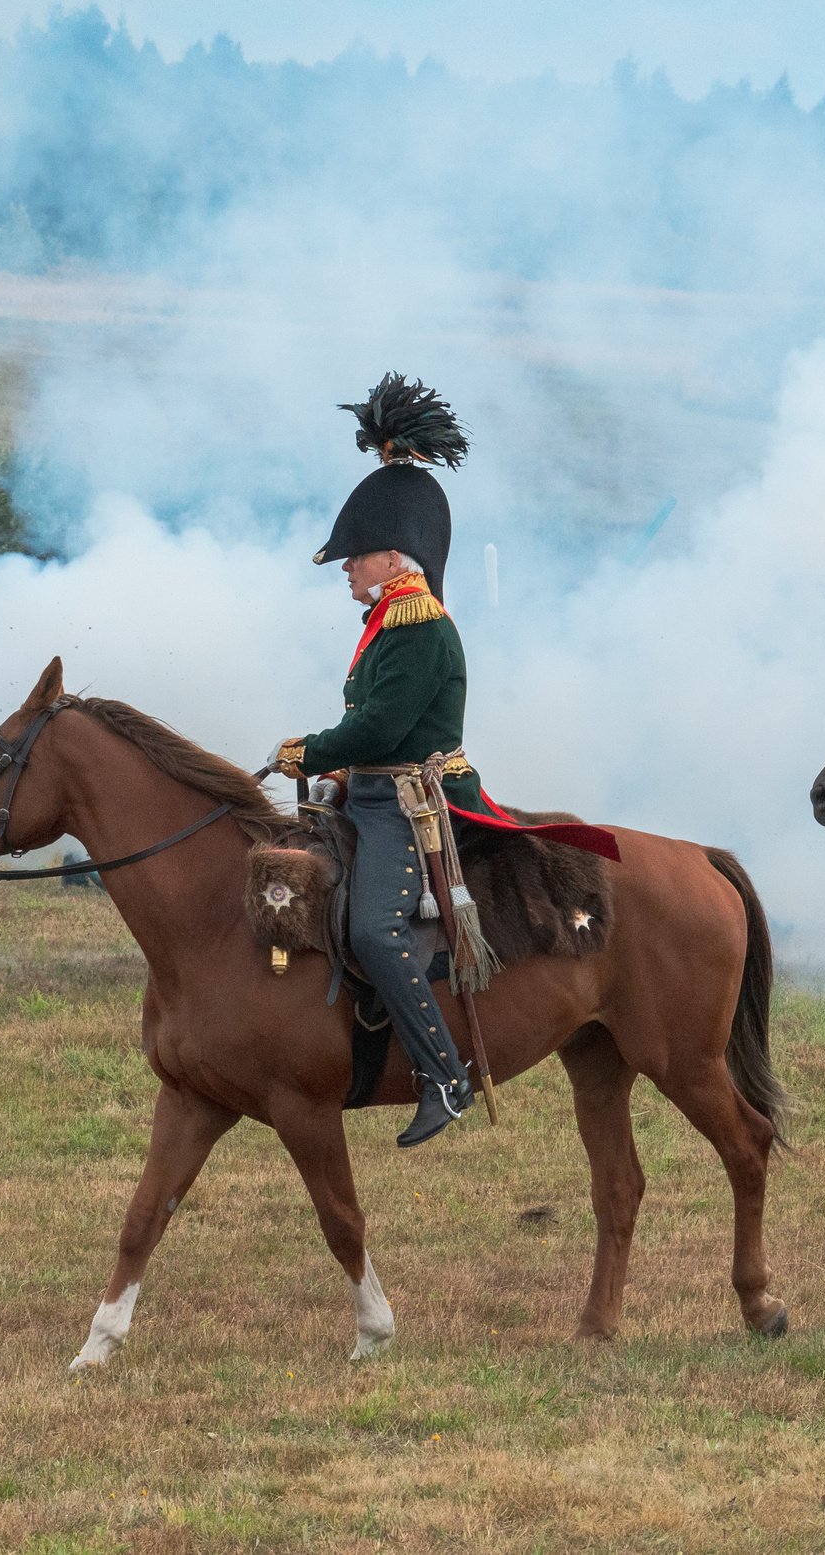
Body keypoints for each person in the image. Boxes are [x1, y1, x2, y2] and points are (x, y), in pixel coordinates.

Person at [274, 374, 483, 1147]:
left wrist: (307, 752)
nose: (345, 568)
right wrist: (333, 771)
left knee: (374, 931)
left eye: (355, 556)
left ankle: (445, 1074)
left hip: (409, 801)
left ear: (394, 556)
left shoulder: (419, 624)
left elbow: (382, 728)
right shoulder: (391, 619)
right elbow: (373, 723)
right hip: (370, 790)